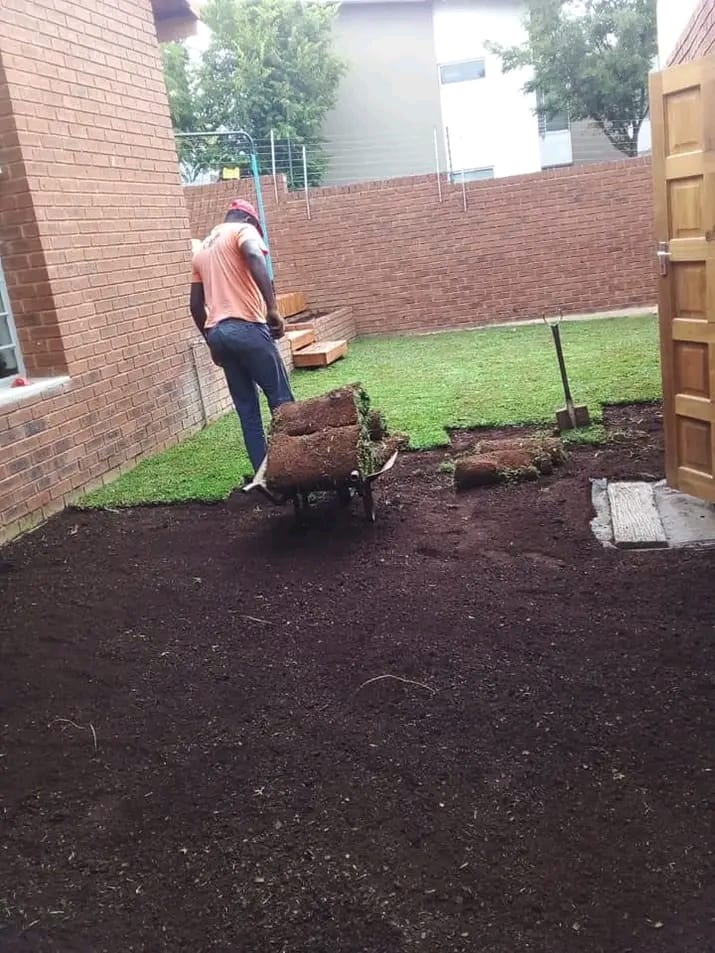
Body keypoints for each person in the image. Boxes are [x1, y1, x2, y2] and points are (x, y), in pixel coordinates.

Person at [190, 200, 295, 473]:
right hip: (248, 328)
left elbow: (194, 304)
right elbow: (253, 254)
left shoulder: (202, 248)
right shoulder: (242, 231)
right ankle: (294, 467)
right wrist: (272, 309)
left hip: (218, 335)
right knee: (281, 400)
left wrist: (211, 342)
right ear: (249, 221)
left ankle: (264, 474)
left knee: (248, 411)